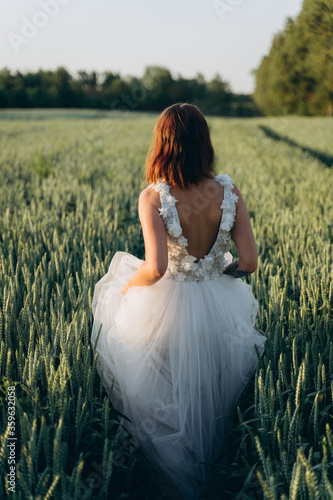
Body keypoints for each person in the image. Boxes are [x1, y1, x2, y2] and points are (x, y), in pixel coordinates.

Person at [90, 103, 266, 499]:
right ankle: (214, 475)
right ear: (204, 142)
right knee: (210, 392)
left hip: (167, 308)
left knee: (166, 397)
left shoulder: (154, 197)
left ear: (162, 143)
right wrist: (219, 273)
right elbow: (250, 262)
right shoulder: (227, 190)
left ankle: (172, 482)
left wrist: (127, 288)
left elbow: (155, 267)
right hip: (219, 305)